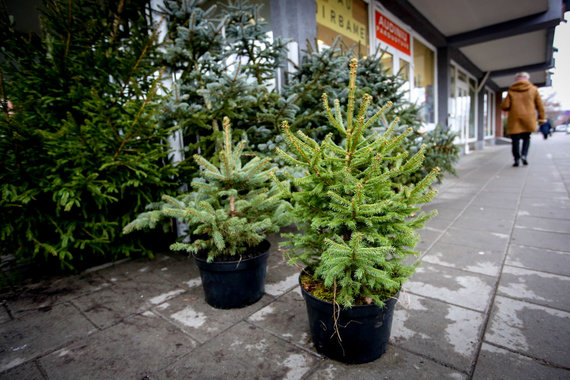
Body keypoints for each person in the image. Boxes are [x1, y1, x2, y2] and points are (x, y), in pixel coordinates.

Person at [500, 72, 546, 166]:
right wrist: (541, 118)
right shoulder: (533, 89)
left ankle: (516, 158)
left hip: (515, 118)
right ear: (527, 79)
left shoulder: (512, 90)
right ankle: (524, 155)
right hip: (528, 118)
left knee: (515, 140)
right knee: (526, 138)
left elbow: (505, 105)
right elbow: (540, 106)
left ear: (516, 79)